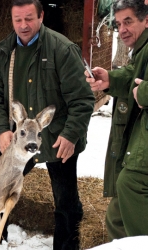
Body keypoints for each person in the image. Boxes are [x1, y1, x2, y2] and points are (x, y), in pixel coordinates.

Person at [0, 0, 94, 249]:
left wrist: (71, 135)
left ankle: (67, 245)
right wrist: (1, 130)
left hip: (56, 136)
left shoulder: (62, 49)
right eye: (18, 19)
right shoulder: (1, 52)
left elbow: (82, 99)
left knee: (65, 199)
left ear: (41, 16)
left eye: (29, 18)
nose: (23, 25)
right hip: (18, 138)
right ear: (11, 19)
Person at [85, 0, 148, 242]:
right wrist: (109, 79)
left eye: (128, 21)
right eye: (119, 23)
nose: (122, 29)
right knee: (116, 215)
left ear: (146, 20)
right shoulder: (141, 49)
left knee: (131, 184)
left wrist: (144, 93)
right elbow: (134, 74)